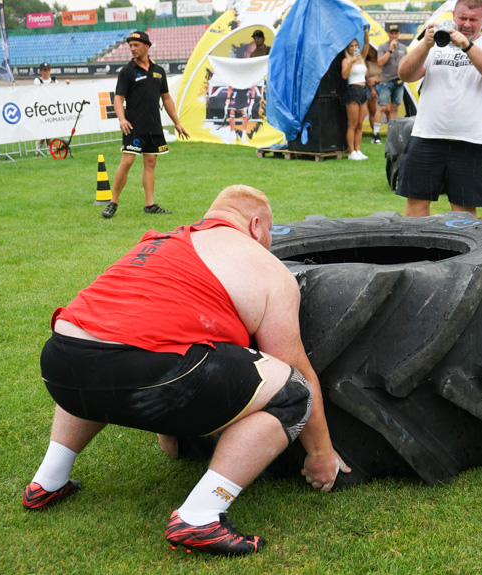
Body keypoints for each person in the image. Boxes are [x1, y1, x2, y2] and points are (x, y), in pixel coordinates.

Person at [23, 185, 350, 556]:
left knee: (101, 346)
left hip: (60, 363)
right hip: (146, 370)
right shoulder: (266, 267)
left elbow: (146, 328)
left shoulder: (157, 241)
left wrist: (167, 423)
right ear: (256, 226)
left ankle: (47, 480)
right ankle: (200, 516)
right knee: (292, 390)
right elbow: (295, 368)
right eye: (269, 234)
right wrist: (321, 454)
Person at [395, 0, 482, 218]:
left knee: (463, 212)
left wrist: (467, 45)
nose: (466, 24)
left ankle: (464, 254)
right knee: (416, 204)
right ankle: (413, 252)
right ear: (453, 16)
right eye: (462, 18)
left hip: (471, 140)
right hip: (426, 136)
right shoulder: (435, 44)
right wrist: (425, 45)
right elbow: (405, 74)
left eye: (473, 20)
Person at [101, 31, 190, 219]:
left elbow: (166, 99)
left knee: (151, 162)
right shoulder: (127, 71)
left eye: (136, 45)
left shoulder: (159, 71)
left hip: (154, 126)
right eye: (130, 46)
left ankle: (150, 205)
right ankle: (112, 202)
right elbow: (118, 99)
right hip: (133, 126)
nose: (132, 49)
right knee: (127, 162)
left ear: (147, 46)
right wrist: (122, 119)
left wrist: (177, 123)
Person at [375, 24, 408, 142]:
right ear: (388, 34)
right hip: (386, 81)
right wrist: (390, 49)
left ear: (399, 34)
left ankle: (393, 134)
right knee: (382, 107)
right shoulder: (383, 46)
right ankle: (376, 135)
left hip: (399, 81)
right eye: (391, 33)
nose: (394, 35)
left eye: (396, 33)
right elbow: (380, 62)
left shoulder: (403, 48)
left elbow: (406, 63)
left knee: (395, 108)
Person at [341, 28, 370, 161]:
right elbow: (344, 75)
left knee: (360, 124)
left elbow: (367, 46)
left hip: (363, 90)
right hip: (353, 91)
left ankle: (358, 149)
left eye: (356, 45)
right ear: (348, 48)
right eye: (351, 46)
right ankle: (351, 151)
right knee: (352, 124)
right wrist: (351, 63)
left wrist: (366, 32)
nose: (354, 48)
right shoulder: (346, 60)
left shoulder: (361, 58)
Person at [33, 62, 68, 153]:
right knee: (46, 126)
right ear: (40, 71)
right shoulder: (37, 80)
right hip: (42, 107)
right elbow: (38, 90)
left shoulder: (54, 80)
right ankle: (49, 147)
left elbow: (59, 88)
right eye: (45, 70)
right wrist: (49, 86)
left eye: (48, 70)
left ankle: (40, 143)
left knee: (51, 126)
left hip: (52, 106)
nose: (47, 72)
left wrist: (66, 83)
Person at [365, 46, 382, 144]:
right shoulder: (367, 62)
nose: (371, 52)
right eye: (369, 50)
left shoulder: (380, 61)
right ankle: (374, 133)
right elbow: (366, 76)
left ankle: (378, 131)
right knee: (372, 111)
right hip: (369, 86)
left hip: (380, 84)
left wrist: (377, 80)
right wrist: (372, 88)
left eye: (372, 50)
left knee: (384, 108)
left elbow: (384, 71)